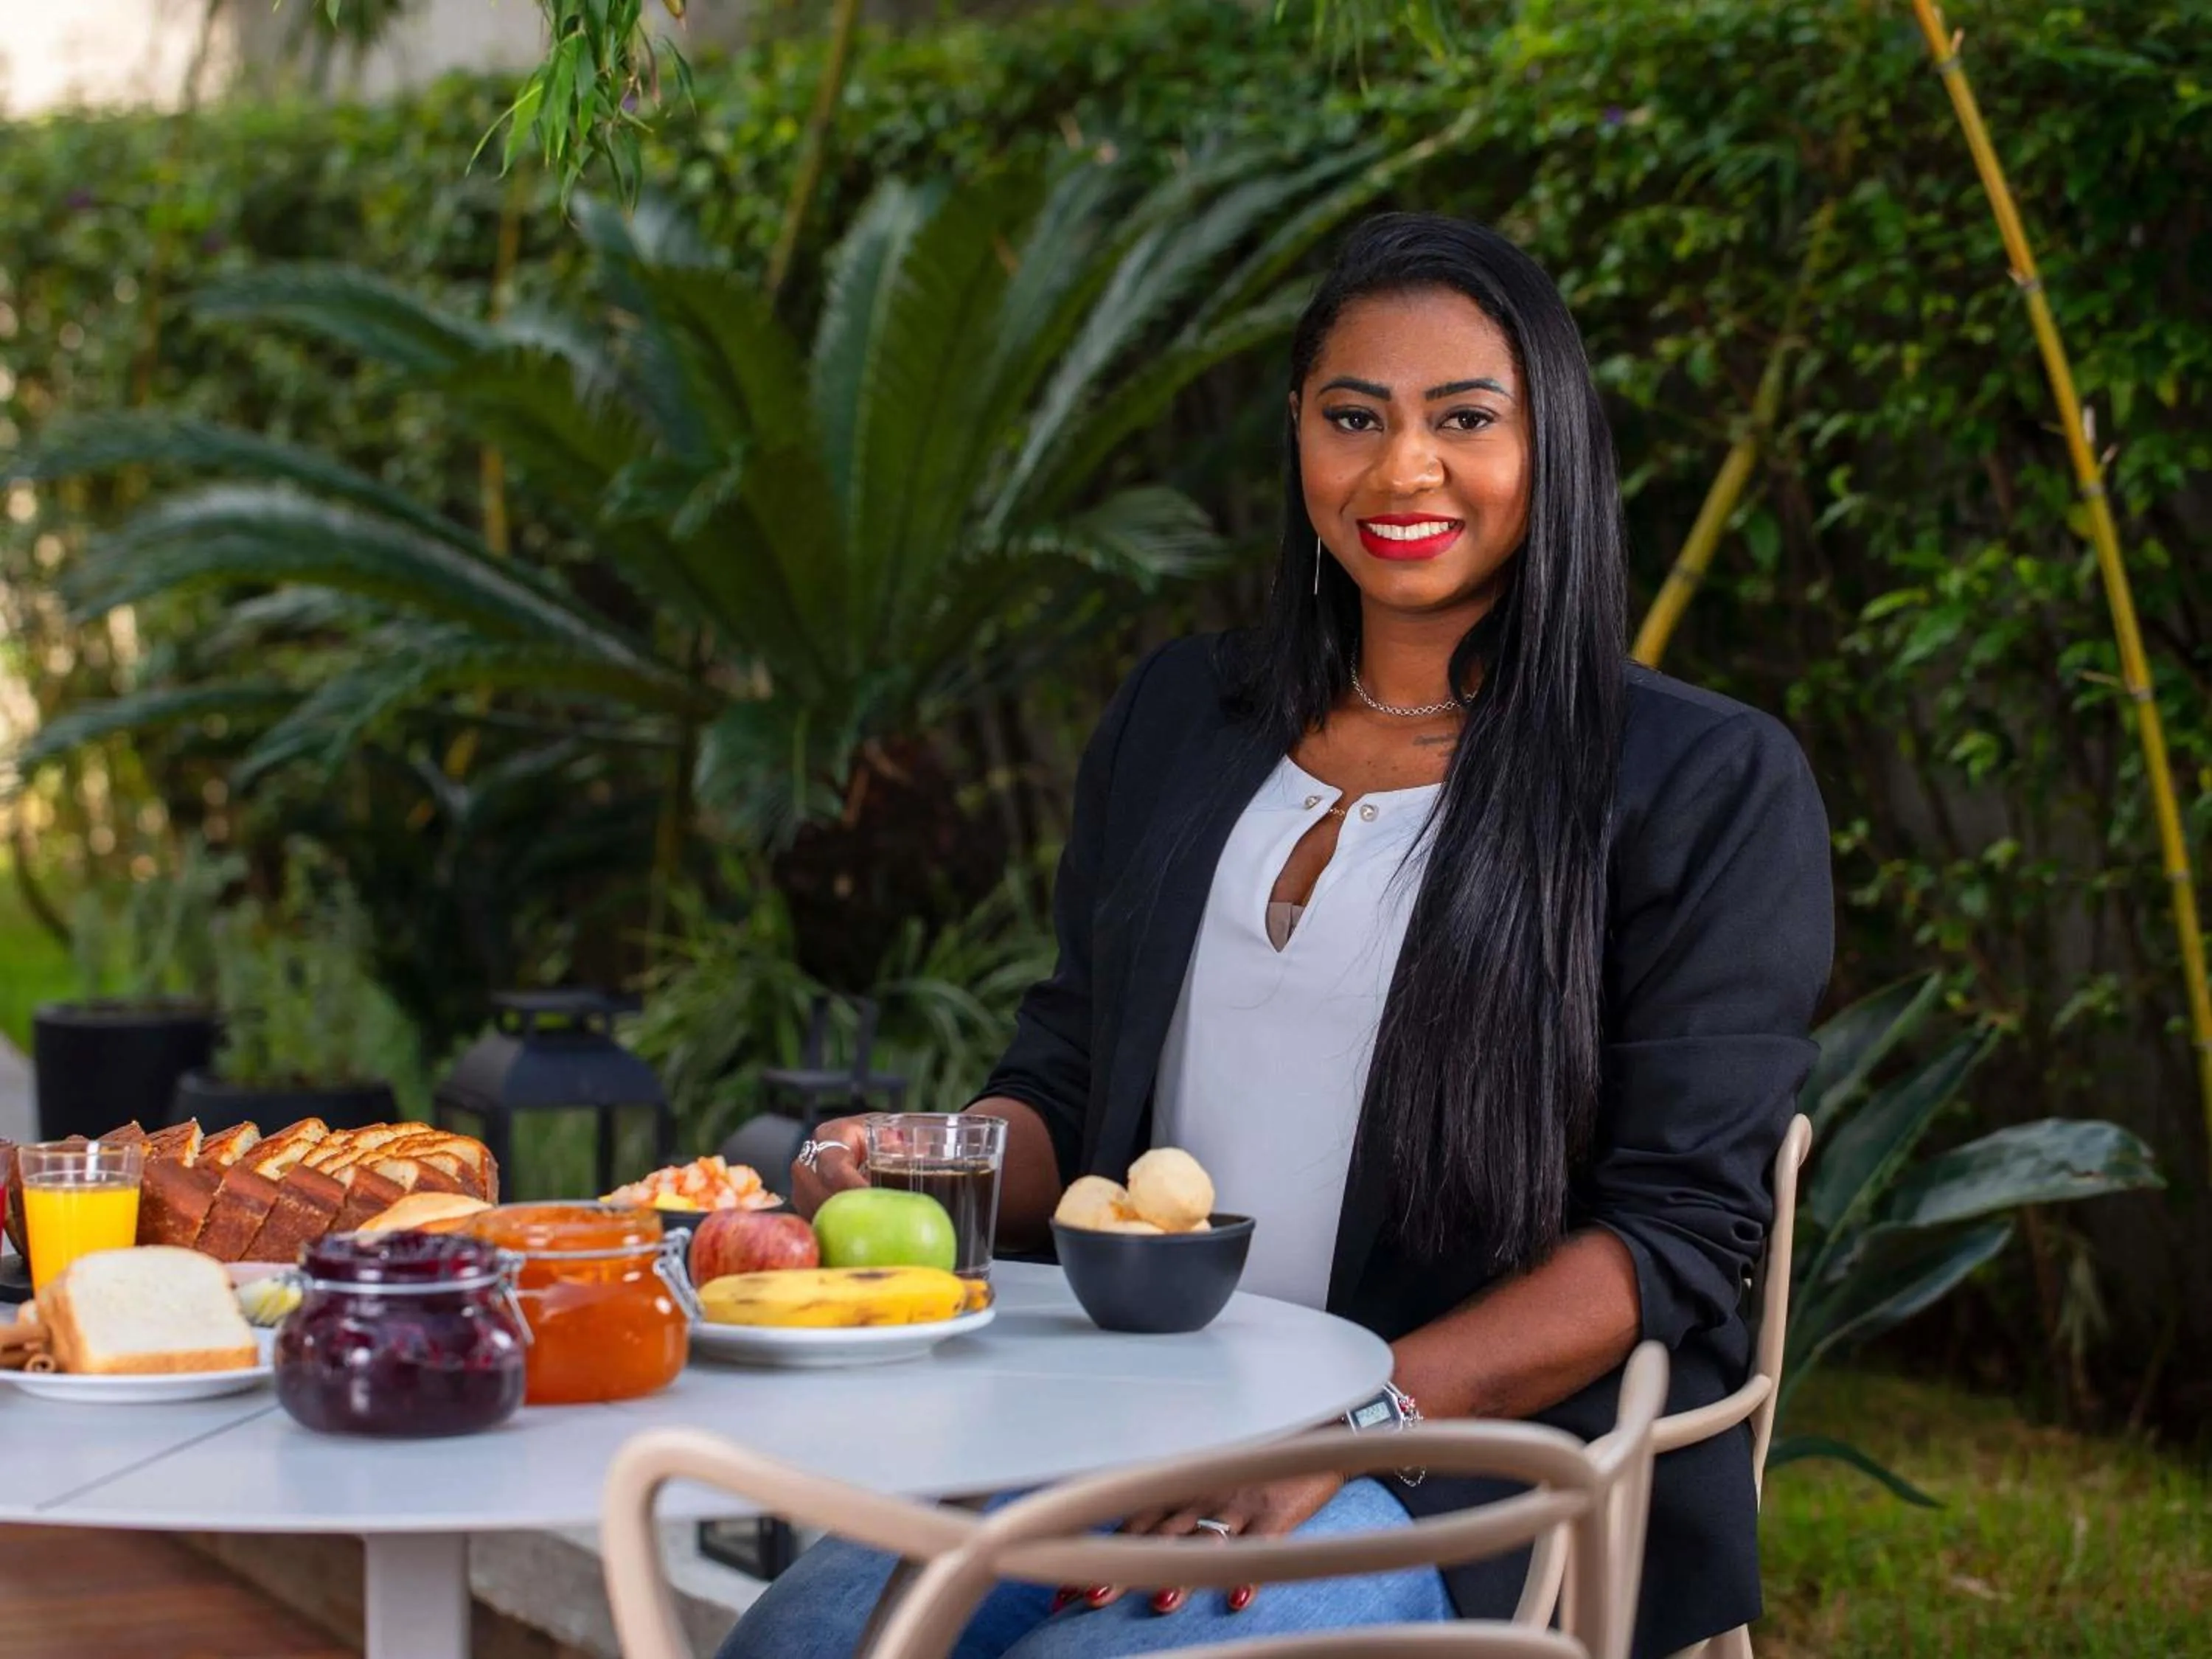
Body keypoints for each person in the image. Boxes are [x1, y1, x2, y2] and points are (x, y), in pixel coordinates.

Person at [720, 210, 1833, 1659]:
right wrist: (928, 1158)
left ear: (1549, 441)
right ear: (1301, 441)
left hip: (1472, 1467)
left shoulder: (1697, 784)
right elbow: (1068, 1082)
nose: (1402, 470)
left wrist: (1359, 1424)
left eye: (1464, 418)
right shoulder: (1186, 718)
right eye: (1353, 417)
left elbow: (1673, 1238)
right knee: (798, 1646)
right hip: (1138, 1413)